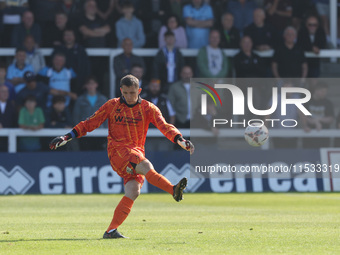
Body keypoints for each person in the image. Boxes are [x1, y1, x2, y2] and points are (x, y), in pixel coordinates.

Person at [49, 74, 194, 239]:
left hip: (136, 152)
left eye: (132, 93)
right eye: (125, 93)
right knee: (146, 166)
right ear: (121, 91)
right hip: (118, 152)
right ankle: (173, 189)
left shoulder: (148, 108)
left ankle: (111, 230)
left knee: (134, 191)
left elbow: (165, 126)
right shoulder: (112, 105)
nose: (129, 97)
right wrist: (66, 137)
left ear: (139, 90)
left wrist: (180, 140)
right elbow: (90, 123)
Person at [72, 76, 108, 151]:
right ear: (86, 86)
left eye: (92, 83)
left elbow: (107, 116)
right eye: (89, 84)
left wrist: (106, 130)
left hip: (100, 133)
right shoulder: (80, 100)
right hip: (85, 133)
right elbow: (76, 116)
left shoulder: (103, 99)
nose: (91, 86)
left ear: (96, 85)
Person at [53, 28, 91, 95]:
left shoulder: (80, 50)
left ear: (74, 36)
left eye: (71, 35)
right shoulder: (58, 49)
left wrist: (85, 82)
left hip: (78, 84)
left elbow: (86, 67)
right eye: (66, 35)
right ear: (63, 37)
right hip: (61, 84)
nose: (69, 37)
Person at [303, 82, 334, 148]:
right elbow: (303, 117)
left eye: (325, 91)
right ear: (316, 90)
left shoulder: (328, 103)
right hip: (309, 137)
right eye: (322, 91)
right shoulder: (307, 102)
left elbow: (331, 119)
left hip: (323, 138)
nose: (324, 93)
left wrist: (318, 119)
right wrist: (315, 122)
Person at [0, 85, 16, 151]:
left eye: (7, 91)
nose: (5, 93)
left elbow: (14, 122)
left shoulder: (12, 105)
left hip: (8, 139)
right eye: (3, 91)